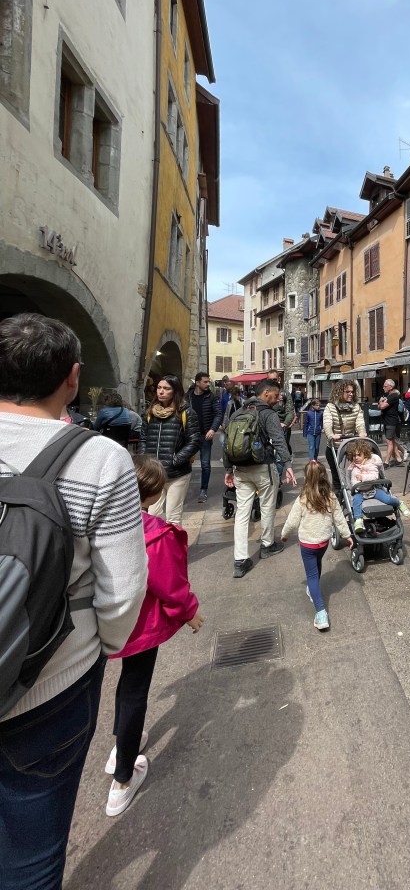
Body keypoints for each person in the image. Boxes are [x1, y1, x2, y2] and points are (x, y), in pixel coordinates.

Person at [0, 313, 147, 887]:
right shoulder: (100, 459)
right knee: (31, 859)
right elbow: (122, 591)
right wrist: (102, 648)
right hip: (51, 682)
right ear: (72, 378)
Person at [105, 456, 203, 817]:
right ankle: (122, 780)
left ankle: (120, 745)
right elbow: (170, 586)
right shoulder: (154, 532)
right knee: (134, 693)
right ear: (156, 493)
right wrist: (190, 613)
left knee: (124, 684)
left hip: (103, 620)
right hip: (140, 625)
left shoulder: (103, 522)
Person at [224, 379, 297, 577]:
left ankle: (240, 560)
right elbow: (280, 441)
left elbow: (227, 441)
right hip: (263, 467)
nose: (279, 397)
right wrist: (288, 465)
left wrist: (228, 469)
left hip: (240, 469)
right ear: (265, 394)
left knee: (242, 513)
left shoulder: (238, 412)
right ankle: (267, 545)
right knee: (266, 507)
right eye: (276, 394)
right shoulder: (268, 414)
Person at [280, 461, 353, 631]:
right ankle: (313, 592)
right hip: (323, 543)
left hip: (307, 544)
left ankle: (321, 613)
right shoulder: (330, 497)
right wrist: (347, 536)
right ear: (323, 476)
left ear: (306, 477)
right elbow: (340, 519)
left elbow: (291, 522)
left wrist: (284, 536)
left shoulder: (303, 499)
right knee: (317, 565)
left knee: (311, 576)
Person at [138, 374, 200, 525]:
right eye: (159, 388)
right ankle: (156, 548)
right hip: (154, 473)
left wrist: (176, 460)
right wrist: (145, 460)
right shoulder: (150, 413)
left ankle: (174, 548)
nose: (161, 391)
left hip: (177, 473)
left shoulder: (186, 412)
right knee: (152, 516)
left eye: (166, 388)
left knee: (173, 517)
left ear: (175, 391)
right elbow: (143, 439)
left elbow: (194, 441)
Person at [346, 439, 410, 532]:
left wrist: (362, 477)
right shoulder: (353, 467)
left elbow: (374, 476)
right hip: (360, 491)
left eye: (358, 455)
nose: (356, 458)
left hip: (374, 489)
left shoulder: (371, 463)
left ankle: (399, 503)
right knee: (356, 501)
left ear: (365, 454)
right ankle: (358, 520)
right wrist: (357, 484)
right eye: (354, 456)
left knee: (387, 499)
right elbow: (353, 481)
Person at [186, 371, 223, 503]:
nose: (208, 384)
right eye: (205, 382)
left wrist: (213, 429)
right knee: (184, 462)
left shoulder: (211, 397)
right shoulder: (188, 397)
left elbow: (218, 414)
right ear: (197, 383)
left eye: (209, 381)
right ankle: (183, 487)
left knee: (205, 464)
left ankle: (203, 490)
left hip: (205, 436)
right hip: (190, 436)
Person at [267, 370, 295, 452]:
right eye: (270, 380)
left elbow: (290, 411)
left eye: (274, 379)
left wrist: (285, 423)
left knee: (283, 448)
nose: (273, 382)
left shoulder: (285, 394)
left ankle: (287, 460)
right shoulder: (265, 393)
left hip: (282, 425)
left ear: (278, 379)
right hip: (269, 425)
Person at [378, 378, 404, 466]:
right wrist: (381, 403)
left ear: (391, 387)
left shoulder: (394, 396)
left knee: (389, 441)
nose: (383, 387)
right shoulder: (389, 396)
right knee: (392, 441)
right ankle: (399, 459)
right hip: (387, 421)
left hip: (391, 422)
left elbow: (381, 406)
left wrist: (381, 402)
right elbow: (380, 406)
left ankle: (386, 461)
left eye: (385, 386)